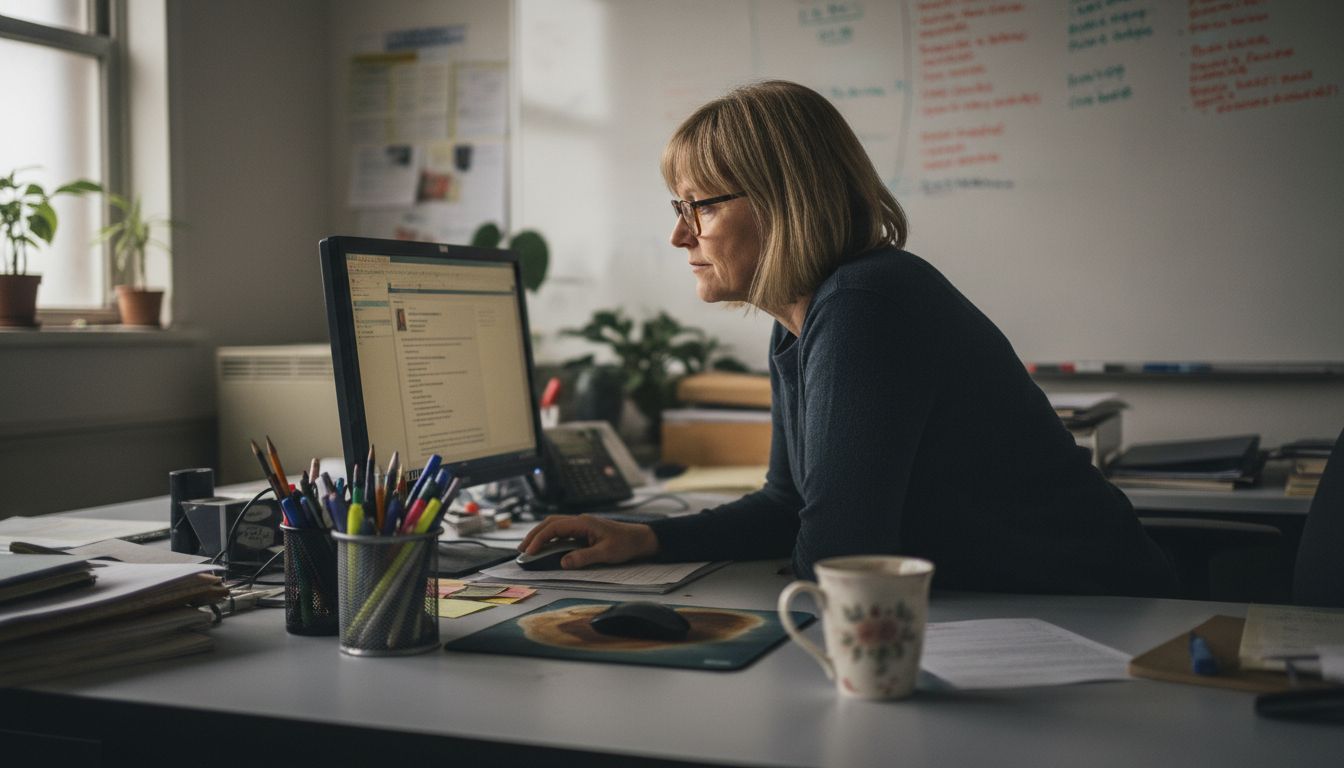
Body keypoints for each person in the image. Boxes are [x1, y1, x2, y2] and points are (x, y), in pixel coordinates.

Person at [520, 80, 1176, 595]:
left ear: (784, 201)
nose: (680, 235)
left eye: (704, 205)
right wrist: (643, 539)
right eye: (678, 207)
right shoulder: (802, 323)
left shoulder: (867, 303)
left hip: (1089, 616)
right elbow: (789, 504)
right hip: (1001, 610)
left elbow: (836, 556)